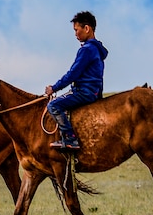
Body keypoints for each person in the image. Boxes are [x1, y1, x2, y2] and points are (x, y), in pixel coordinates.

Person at [44, 11, 109, 152]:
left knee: (53, 105)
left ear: (87, 28)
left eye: (76, 30)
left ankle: (70, 139)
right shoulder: (97, 50)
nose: (75, 34)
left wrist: (53, 88)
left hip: (84, 92)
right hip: (94, 92)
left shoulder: (87, 50)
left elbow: (73, 74)